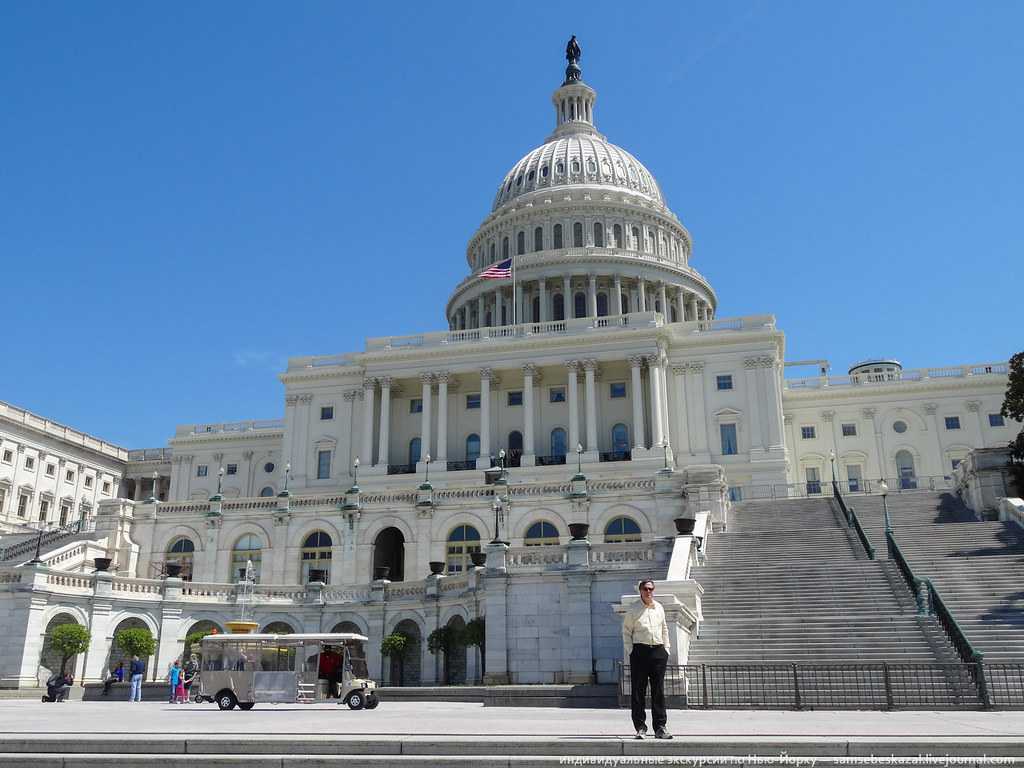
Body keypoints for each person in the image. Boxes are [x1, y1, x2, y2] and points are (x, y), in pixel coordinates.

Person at [621, 578, 672, 740]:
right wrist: (631, 651)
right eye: (645, 589)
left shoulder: (659, 608)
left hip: (658, 651)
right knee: (638, 691)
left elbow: (664, 628)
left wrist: (667, 649)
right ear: (640, 590)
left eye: (651, 589)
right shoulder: (633, 609)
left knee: (658, 691)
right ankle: (640, 727)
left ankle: (660, 727)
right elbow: (626, 632)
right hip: (640, 652)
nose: (648, 592)